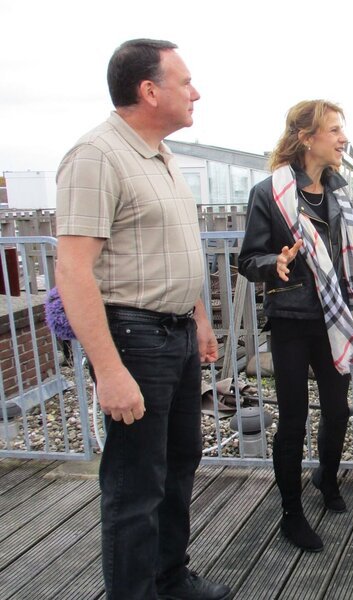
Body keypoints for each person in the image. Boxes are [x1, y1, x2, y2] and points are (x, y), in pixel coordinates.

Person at [55, 39, 231, 599]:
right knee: (135, 484)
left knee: (179, 462)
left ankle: (169, 578)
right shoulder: (97, 156)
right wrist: (108, 371)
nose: (195, 91)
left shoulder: (159, 155)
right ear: (149, 90)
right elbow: (73, 269)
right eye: (184, 82)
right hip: (134, 338)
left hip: (175, 333)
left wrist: (199, 318)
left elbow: (174, 249)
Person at [238, 100, 353, 552]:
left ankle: (325, 474)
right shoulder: (270, 194)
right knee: (294, 420)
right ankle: (291, 513)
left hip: (333, 318)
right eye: (335, 130)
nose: (343, 138)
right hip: (291, 319)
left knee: (338, 411)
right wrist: (273, 263)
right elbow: (248, 258)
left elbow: (343, 263)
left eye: (343, 130)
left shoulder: (339, 194)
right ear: (307, 137)